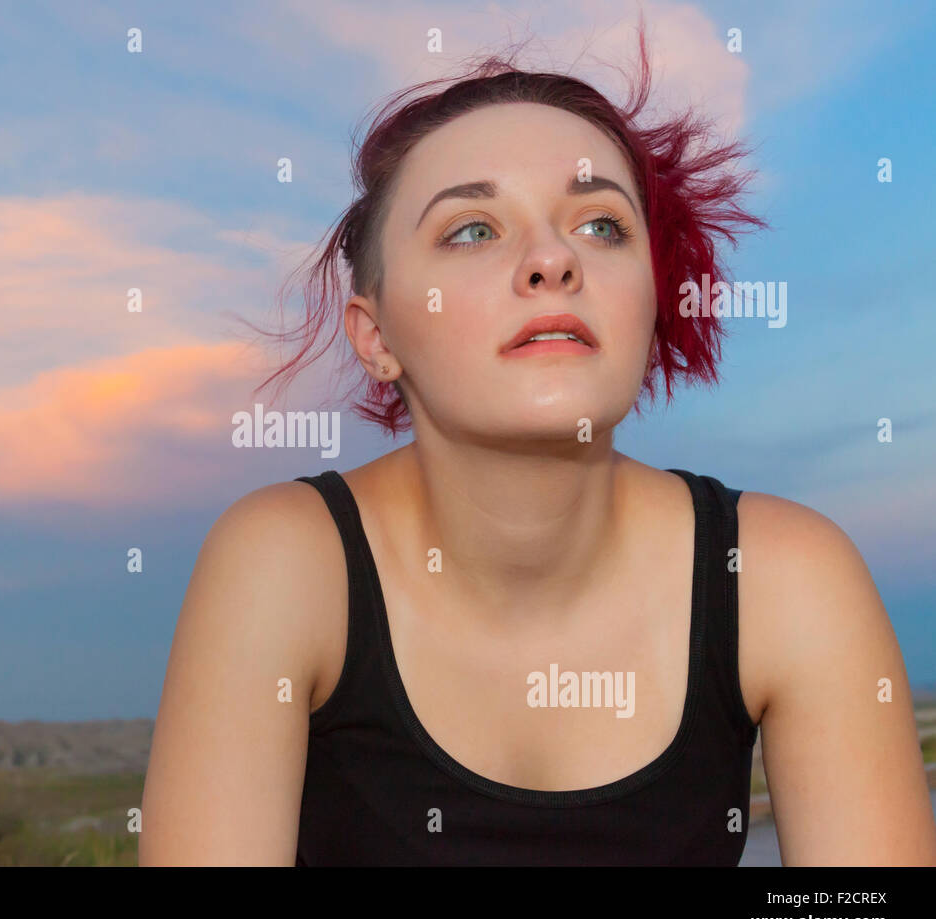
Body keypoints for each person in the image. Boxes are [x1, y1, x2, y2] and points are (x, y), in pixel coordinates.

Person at [139, 28, 936, 865]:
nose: (552, 259)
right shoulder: (285, 562)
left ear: (655, 303)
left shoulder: (784, 576)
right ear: (376, 337)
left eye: (600, 224)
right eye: (473, 231)